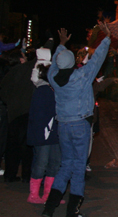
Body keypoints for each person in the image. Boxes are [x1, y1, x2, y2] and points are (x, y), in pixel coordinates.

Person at [43, 23, 111, 217]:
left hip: (63, 124)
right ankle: (72, 210)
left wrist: (61, 44)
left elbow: (55, 65)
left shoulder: (53, 77)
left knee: (66, 165)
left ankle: (49, 208)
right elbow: (97, 59)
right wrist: (106, 38)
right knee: (79, 167)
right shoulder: (81, 76)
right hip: (81, 124)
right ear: (73, 62)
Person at [27, 49, 60, 204]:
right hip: (44, 134)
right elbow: (38, 116)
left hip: (53, 133)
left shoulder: (49, 89)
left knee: (54, 163)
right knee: (42, 164)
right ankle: (34, 194)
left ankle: (48, 195)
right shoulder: (43, 90)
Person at [0, 47, 35, 182]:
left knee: (12, 146)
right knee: (26, 147)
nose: (26, 58)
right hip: (24, 113)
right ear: (21, 60)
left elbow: (3, 93)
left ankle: (10, 174)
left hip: (13, 114)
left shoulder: (9, 73)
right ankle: (26, 175)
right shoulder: (24, 70)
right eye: (24, 56)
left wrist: (11, 103)